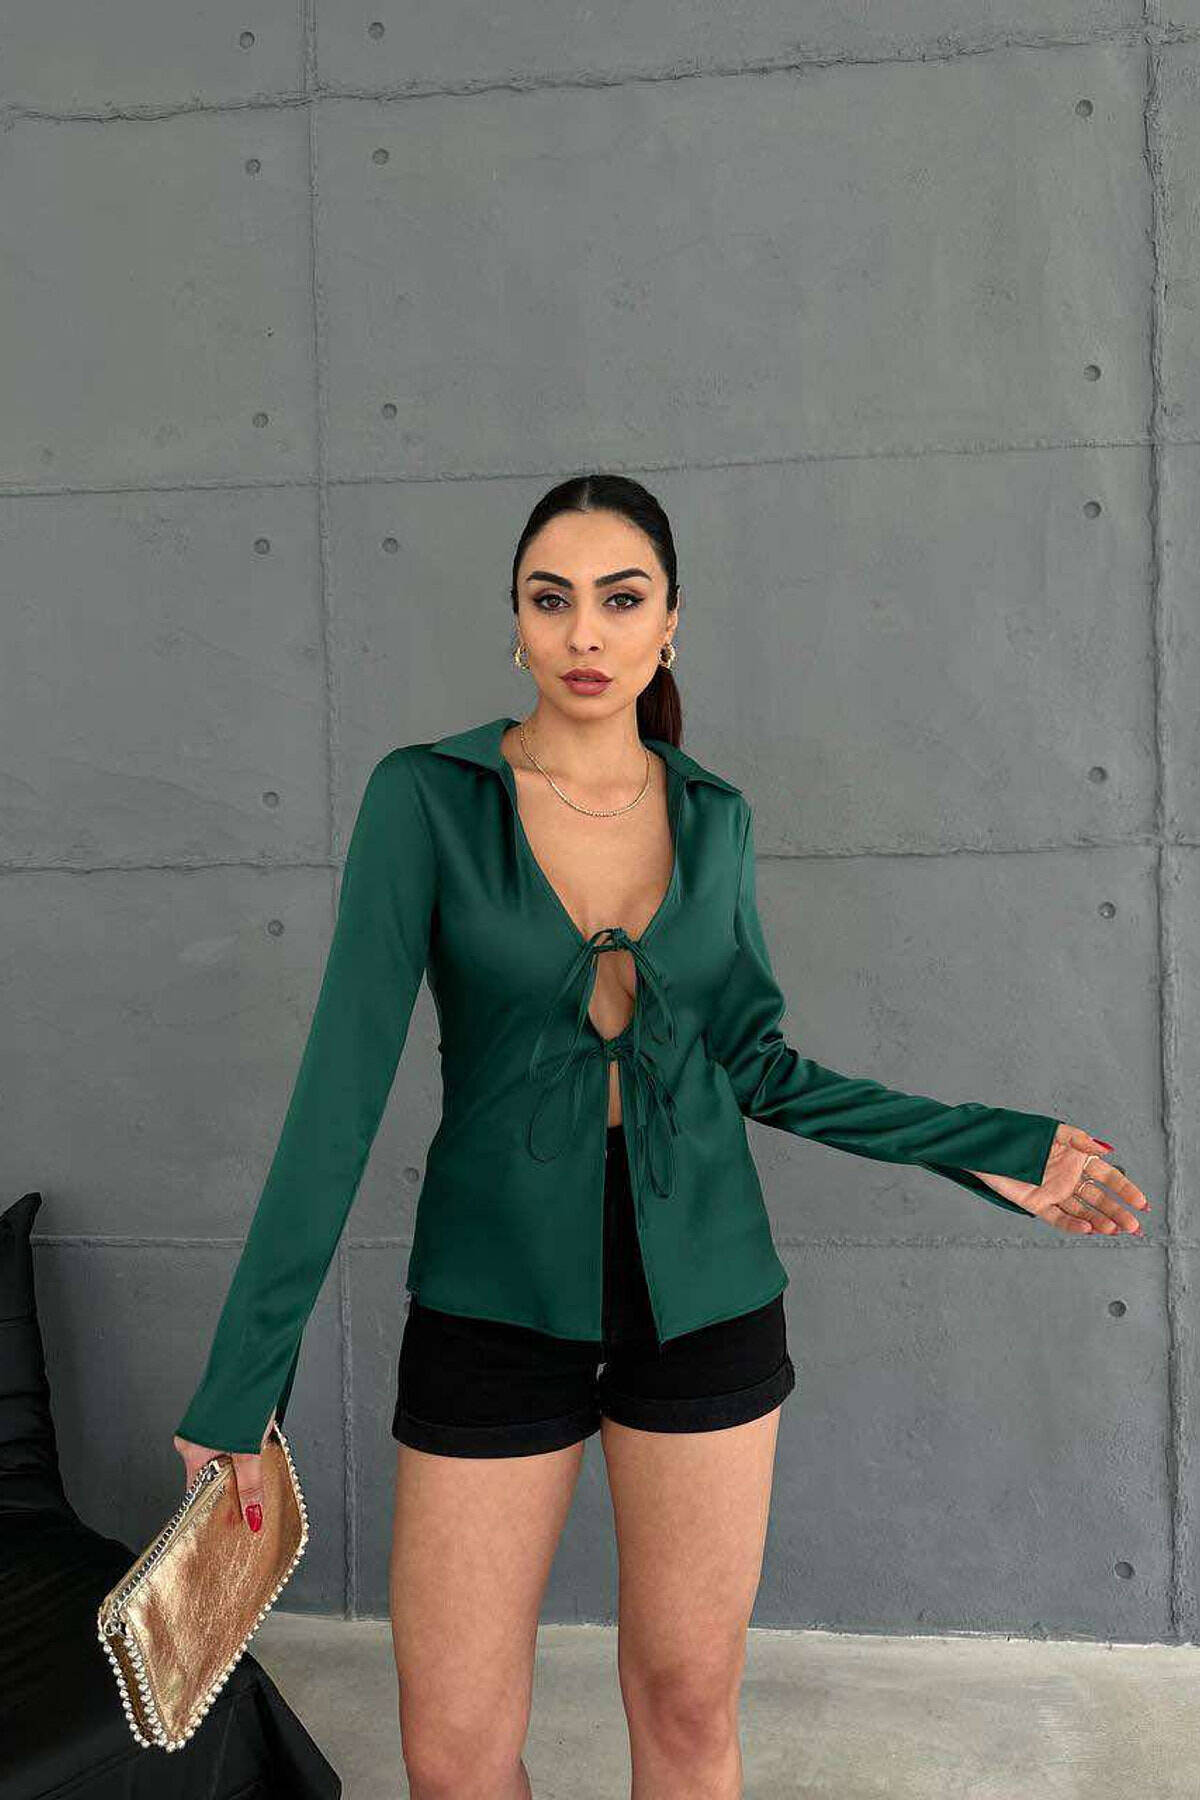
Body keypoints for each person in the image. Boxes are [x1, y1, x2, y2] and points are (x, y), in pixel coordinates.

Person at [174, 472, 1149, 1799]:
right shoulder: (427, 800)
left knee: (689, 1709)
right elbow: (336, 1100)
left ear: (671, 623)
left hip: (706, 1295)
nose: (586, 632)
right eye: (552, 600)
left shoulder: (716, 817)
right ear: (516, 625)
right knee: (454, 1754)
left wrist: (999, 1149)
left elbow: (760, 1066)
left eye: (621, 600)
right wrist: (241, 1388)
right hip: (490, 1293)